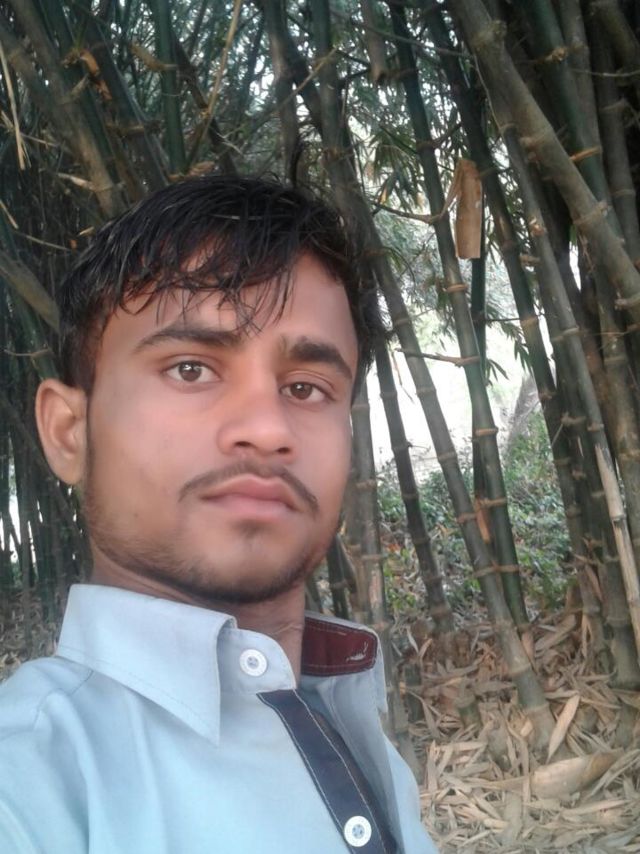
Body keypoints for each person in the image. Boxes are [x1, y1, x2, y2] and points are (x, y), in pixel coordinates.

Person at [0, 176, 437, 853]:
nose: (267, 429)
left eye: (305, 387)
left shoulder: (344, 711)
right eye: (190, 370)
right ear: (69, 433)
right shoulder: (30, 774)